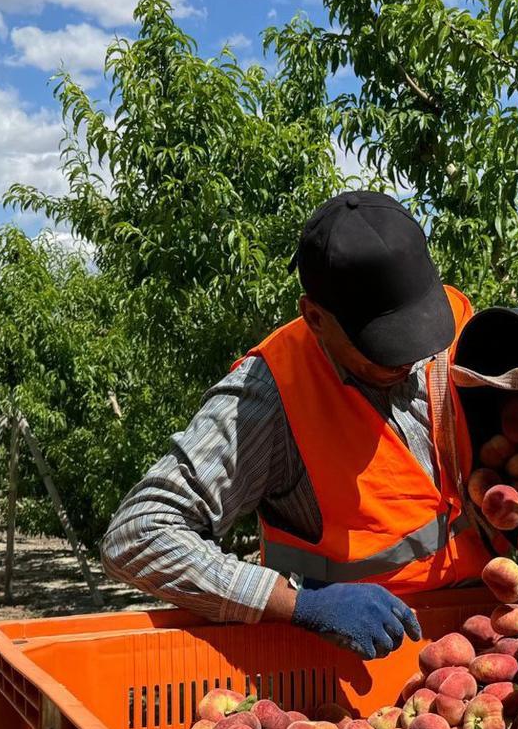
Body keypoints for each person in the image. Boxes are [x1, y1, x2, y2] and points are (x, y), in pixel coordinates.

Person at [101, 191, 492, 659]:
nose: (410, 358)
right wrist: (298, 603)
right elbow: (137, 534)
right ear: (315, 317)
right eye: (384, 346)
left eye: (419, 330)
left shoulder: (458, 329)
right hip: (353, 663)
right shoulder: (269, 396)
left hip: (481, 636)